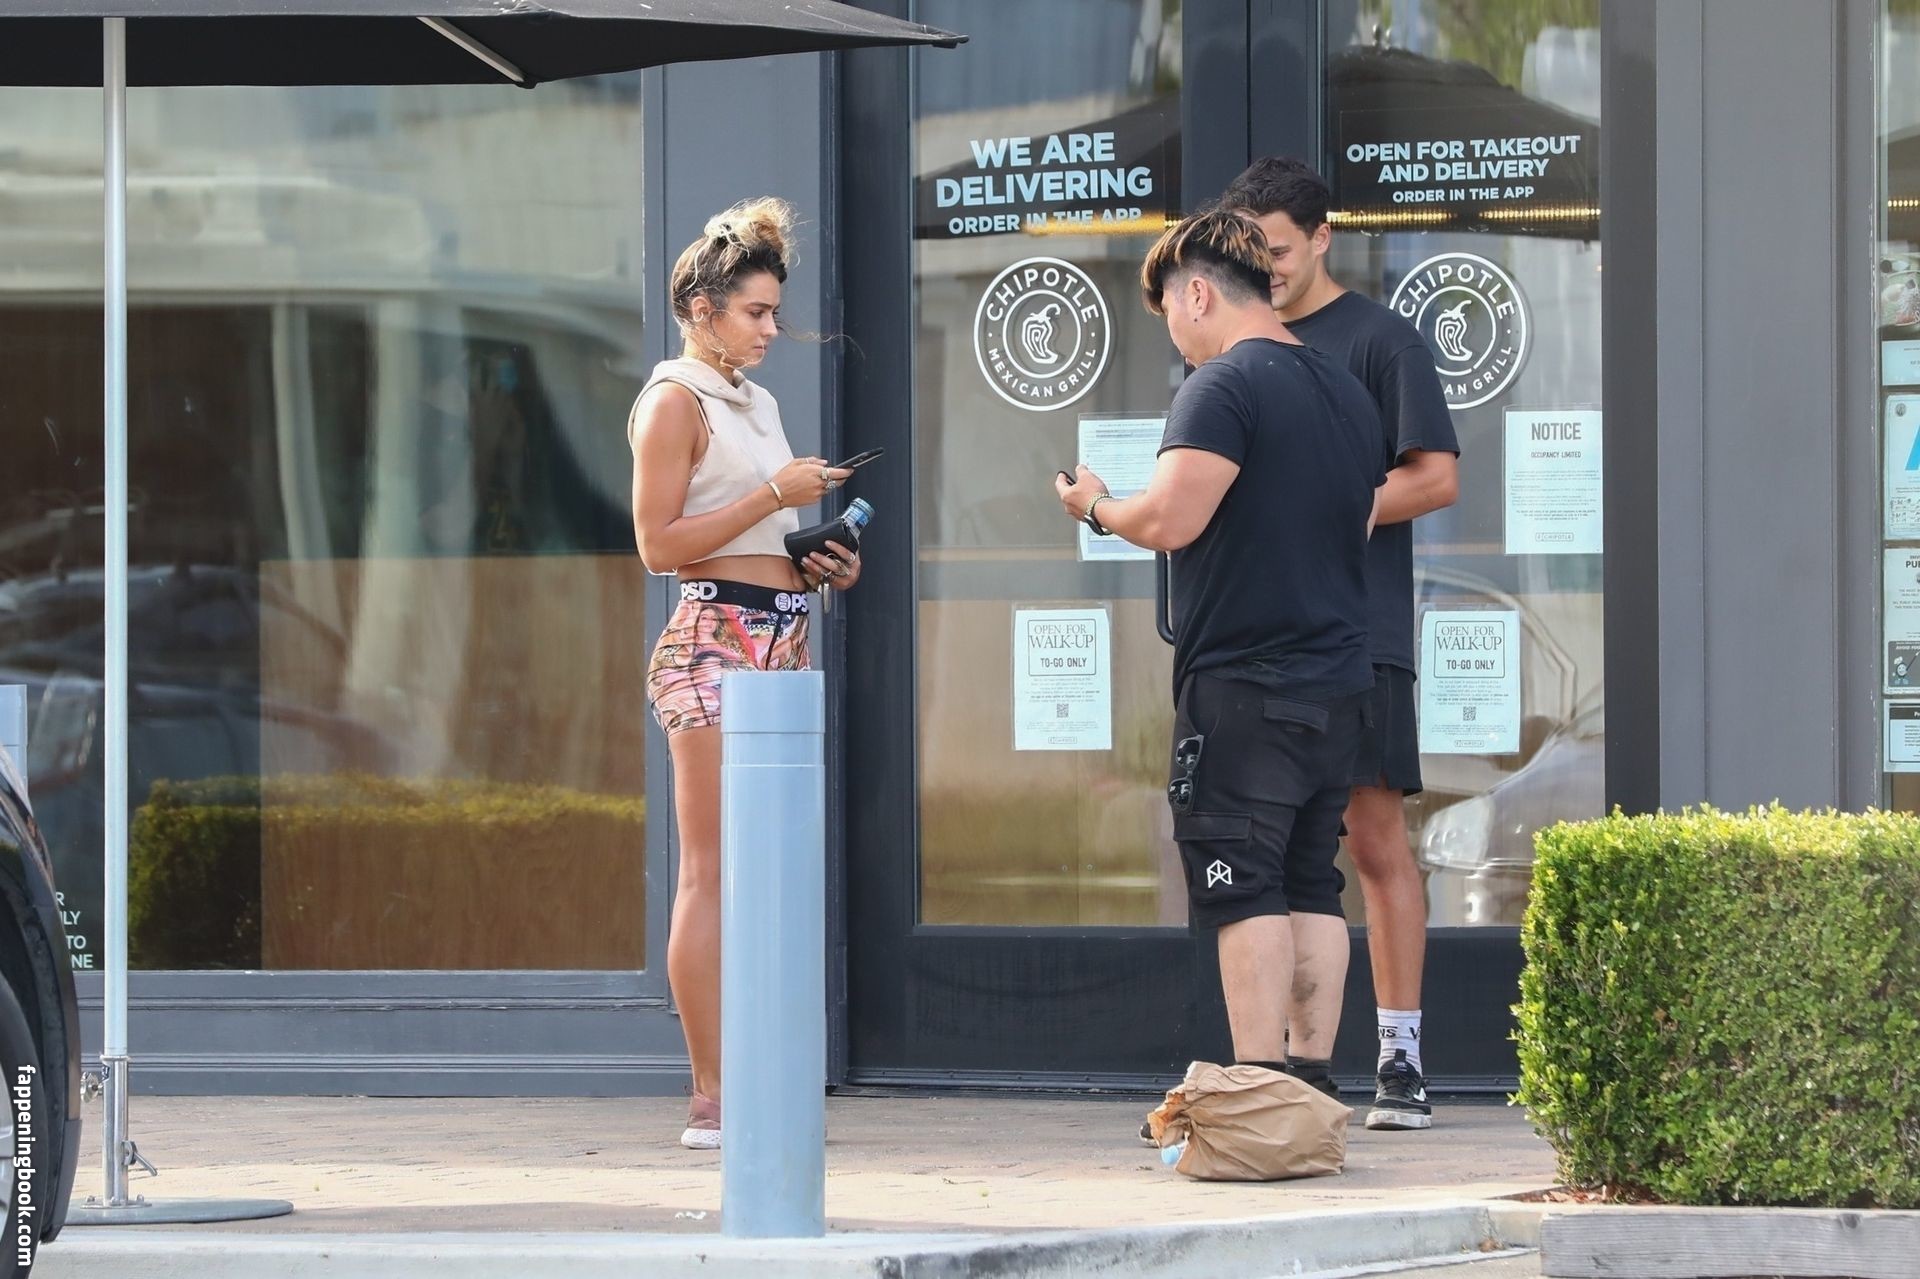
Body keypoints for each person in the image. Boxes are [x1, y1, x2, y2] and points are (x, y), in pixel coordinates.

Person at [1054, 208, 1388, 1128]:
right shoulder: (1346, 391)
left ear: (1198, 292)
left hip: (1245, 683)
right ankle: (1312, 1087)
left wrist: (1095, 507)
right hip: (1338, 679)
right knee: (1311, 877)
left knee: (1244, 880)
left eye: (1170, 308)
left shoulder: (1223, 385)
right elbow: (1360, 520)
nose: (1174, 330)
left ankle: (1260, 1094)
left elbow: (1169, 519)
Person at [1221, 156, 1461, 1131]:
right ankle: (1287, 1064)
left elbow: (1437, 477)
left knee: (1373, 839)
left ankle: (1401, 1058)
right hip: (1258, 639)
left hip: (1362, 631)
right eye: (1250, 252)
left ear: (1323, 238)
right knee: (1276, 852)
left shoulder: (1381, 339)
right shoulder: (1236, 344)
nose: (1265, 268)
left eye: (1278, 250)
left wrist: (1336, 504)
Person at [629, 197, 860, 1149]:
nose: (770, 330)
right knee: (714, 869)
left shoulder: (753, 402)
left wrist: (819, 560)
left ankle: (760, 1073)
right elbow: (658, 545)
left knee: (774, 869)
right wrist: (774, 493)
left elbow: (758, 539)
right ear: (701, 309)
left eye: (773, 312)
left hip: (782, 631)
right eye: (755, 313)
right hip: (714, 639)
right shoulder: (673, 400)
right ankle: (711, 1093)